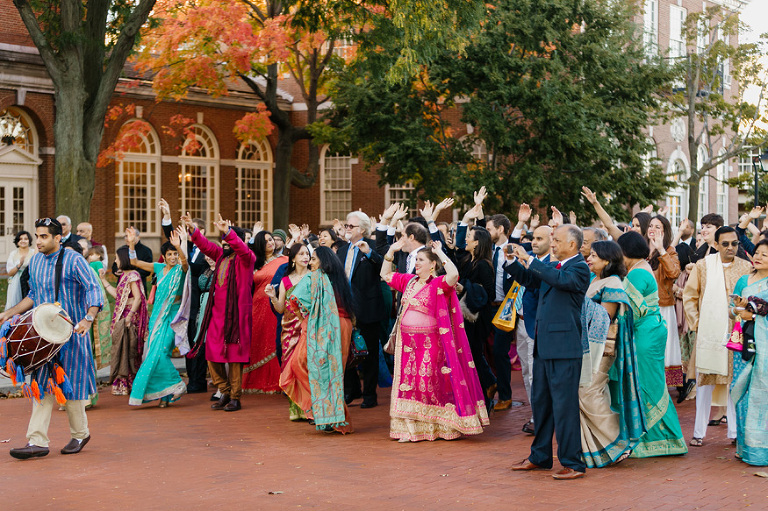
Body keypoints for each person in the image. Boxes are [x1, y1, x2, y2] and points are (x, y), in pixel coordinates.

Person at [2, 217, 103, 459]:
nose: (38, 241)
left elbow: (93, 288)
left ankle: (80, 433)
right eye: (37, 236)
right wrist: (9, 312)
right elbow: (34, 295)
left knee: (73, 388)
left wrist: (88, 318)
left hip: (72, 333)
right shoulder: (35, 261)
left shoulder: (73, 260)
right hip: (43, 337)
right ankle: (37, 441)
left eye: (44, 236)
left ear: (58, 238)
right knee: (42, 385)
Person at [381, 238, 489, 442]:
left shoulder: (439, 283)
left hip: (431, 344)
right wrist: (391, 252)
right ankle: (411, 428)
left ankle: (437, 427)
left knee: (429, 383)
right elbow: (385, 274)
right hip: (408, 346)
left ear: (432, 264)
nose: (417, 263)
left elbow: (454, 275)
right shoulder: (409, 281)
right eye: (417, 260)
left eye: (421, 260)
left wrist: (440, 253)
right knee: (410, 384)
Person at [507, 224, 590, 480]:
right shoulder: (553, 267)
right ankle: (540, 456)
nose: (552, 245)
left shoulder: (579, 268)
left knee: (564, 407)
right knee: (542, 404)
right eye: (551, 240)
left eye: (557, 241)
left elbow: (559, 281)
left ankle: (573, 463)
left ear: (572, 245)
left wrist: (531, 260)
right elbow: (531, 280)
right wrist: (512, 261)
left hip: (564, 349)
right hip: (544, 347)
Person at [617, 231, 687, 457]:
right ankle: (659, 437)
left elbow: (630, 310)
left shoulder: (637, 273)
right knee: (650, 382)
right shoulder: (640, 268)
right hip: (650, 330)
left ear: (625, 252)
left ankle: (660, 439)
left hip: (645, 333)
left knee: (647, 384)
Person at [683, 226, 751, 446]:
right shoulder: (703, 266)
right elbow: (690, 296)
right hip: (709, 334)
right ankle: (698, 432)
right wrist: (697, 323)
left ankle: (734, 433)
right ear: (716, 244)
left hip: (736, 333)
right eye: (725, 244)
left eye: (734, 244)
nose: (730, 248)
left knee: (734, 383)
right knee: (704, 384)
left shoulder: (746, 267)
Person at [276, 247, 355, 433]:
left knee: (302, 365)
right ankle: (329, 416)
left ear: (322, 260)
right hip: (341, 327)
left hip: (323, 329)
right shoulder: (339, 278)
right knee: (333, 374)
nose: (310, 262)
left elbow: (294, 299)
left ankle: (328, 416)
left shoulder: (314, 277)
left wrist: (305, 319)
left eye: (313, 259)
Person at [580, 240, 645, 467]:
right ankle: (596, 448)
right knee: (589, 392)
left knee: (587, 392)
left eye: (594, 256)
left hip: (602, 347)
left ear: (608, 260)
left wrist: (577, 303)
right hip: (584, 345)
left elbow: (604, 317)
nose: (589, 259)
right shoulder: (592, 279)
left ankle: (618, 441)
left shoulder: (614, 283)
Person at [184, 213, 256, 412]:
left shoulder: (246, 259)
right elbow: (206, 246)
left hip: (237, 317)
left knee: (234, 357)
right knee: (211, 353)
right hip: (216, 316)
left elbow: (242, 249)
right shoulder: (221, 257)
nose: (224, 243)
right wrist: (192, 229)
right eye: (223, 240)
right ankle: (224, 390)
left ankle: (235, 397)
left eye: (227, 239)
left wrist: (229, 232)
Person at [127, 226, 188, 407]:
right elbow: (136, 262)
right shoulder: (159, 268)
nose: (172, 258)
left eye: (174, 254)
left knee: (160, 354)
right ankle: (165, 396)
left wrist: (179, 248)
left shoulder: (181, 270)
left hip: (172, 318)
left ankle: (177, 385)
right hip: (156, 319)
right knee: (153, 355)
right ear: (164, 256)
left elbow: (185, 264)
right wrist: (131, 244)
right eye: (169, 254)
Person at [337, 211, 386, 408]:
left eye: (351, 226)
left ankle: (369, 395)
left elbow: (383, 268)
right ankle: (352, 390)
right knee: (346, 350)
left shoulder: (372, 248)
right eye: (347, 225)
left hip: (368, 307)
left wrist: (369, 253)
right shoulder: (341, 250)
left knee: (369, 353)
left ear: (363, 230)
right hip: (345, 307)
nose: (347, 229)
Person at [161, 200, 209, 394]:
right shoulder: (188, 249)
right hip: (187, 302)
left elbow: (194, 268)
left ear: (203, 232)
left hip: (201, 301)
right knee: (188, 340)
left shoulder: (207, 251)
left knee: (198, 340)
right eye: (189, 230)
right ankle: (193, 381)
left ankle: (199, 381)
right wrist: (167, 217)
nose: (189, 233)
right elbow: (172, 237)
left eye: (193, 229)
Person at [453, 214, 497, 410]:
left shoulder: (484, 265)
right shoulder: (467, 260)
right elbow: (456, 248)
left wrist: (465, 289)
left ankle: (486, 392)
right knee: (471, 355)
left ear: (477, 242)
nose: (466, 239)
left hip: (477, 317)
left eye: (470, 236)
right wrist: (466, 218)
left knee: (475, 355)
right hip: (465, 315)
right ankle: (484, 389)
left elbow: (489, 293)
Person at [731, 239, 768, 466]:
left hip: (764, 348)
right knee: (741, 396)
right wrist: (737, 310)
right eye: (757, 252)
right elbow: (732, 308)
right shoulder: (744, 280)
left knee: (761, 396)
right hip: (744, 344)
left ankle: (760, 451)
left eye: (765, 254)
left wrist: (753, 316)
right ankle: (744, 447)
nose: (759, 256)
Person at [266, 243, 310, 420]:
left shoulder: (314, 277)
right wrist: (273, 297)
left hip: (308, 327)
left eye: (307, 254)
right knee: (291, 367)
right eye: (301, 254)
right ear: (293, 258)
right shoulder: (285, 280)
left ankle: (309, 408)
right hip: (289, 330)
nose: (305, 257)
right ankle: (296, 409)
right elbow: (280, 309)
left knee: (306, 367)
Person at [516, 225, 553, 435]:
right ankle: (536, 411)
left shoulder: (551, 263)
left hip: (538, 325)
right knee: (526, 371)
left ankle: (538, 417)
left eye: (539, 238)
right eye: (534, 238)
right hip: (522, 320)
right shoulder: (528, 257)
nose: (534, 242)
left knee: (535, 375)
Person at [242, 230, 288, 393]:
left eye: (271, 240)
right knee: (258, 339)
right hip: (257, 306)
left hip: (275, 305)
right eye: (267, 240)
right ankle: (255, 381)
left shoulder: (284, 260)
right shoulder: (254, 264)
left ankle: (278, 381)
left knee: (275, 341)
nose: (271, 242)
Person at [99, 251, 148, 396]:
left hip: (130, 317)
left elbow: (138, 298)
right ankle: (123, 384)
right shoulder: (124, 276)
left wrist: (129, 317)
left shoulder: (133, 275)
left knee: (130, 349)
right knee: (122, 349)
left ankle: (133, 383)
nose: (115, 260)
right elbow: (118, 295)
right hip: (123, 315)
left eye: (117, 258)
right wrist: (103, 280)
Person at [485, 212, 519, 411]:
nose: (487, 232)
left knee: (499, 351)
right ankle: (490, 385)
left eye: (490, 229)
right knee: (485, 351)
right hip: (486, 307)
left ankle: (505, 396)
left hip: (505, 309)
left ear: (500, 229)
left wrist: (522, 223)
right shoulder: (487, 250)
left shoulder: (511, 249)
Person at [647, 215, 682, 387]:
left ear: (665, 231)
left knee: (662, 349)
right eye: (651, 225)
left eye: (658, 227)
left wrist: (661, 250)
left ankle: (661, 386)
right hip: (642, 308)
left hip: (662, 307)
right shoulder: (641, 250)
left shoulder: (669, 251)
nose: (653, 229)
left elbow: (674, 273)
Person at [113, 227, 154, 294]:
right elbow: (114, 265)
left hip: (138, 286)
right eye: (126, 236)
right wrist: (117, 271)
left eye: (131, 235)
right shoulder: (121, 250)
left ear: (138, 237)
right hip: (123, 286)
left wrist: (130, 274)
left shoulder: (146, 251)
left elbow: (147, 271)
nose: (128, 238)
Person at [5, 230, 33, 310]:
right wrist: (19, 264)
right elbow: (10, 273)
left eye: (26, 239)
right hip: (15, 284)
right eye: (20, 239)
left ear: (29, 241)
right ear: (17, 241)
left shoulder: (33, 252)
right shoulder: (13, 254)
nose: (23, 241)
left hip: (29, 282)